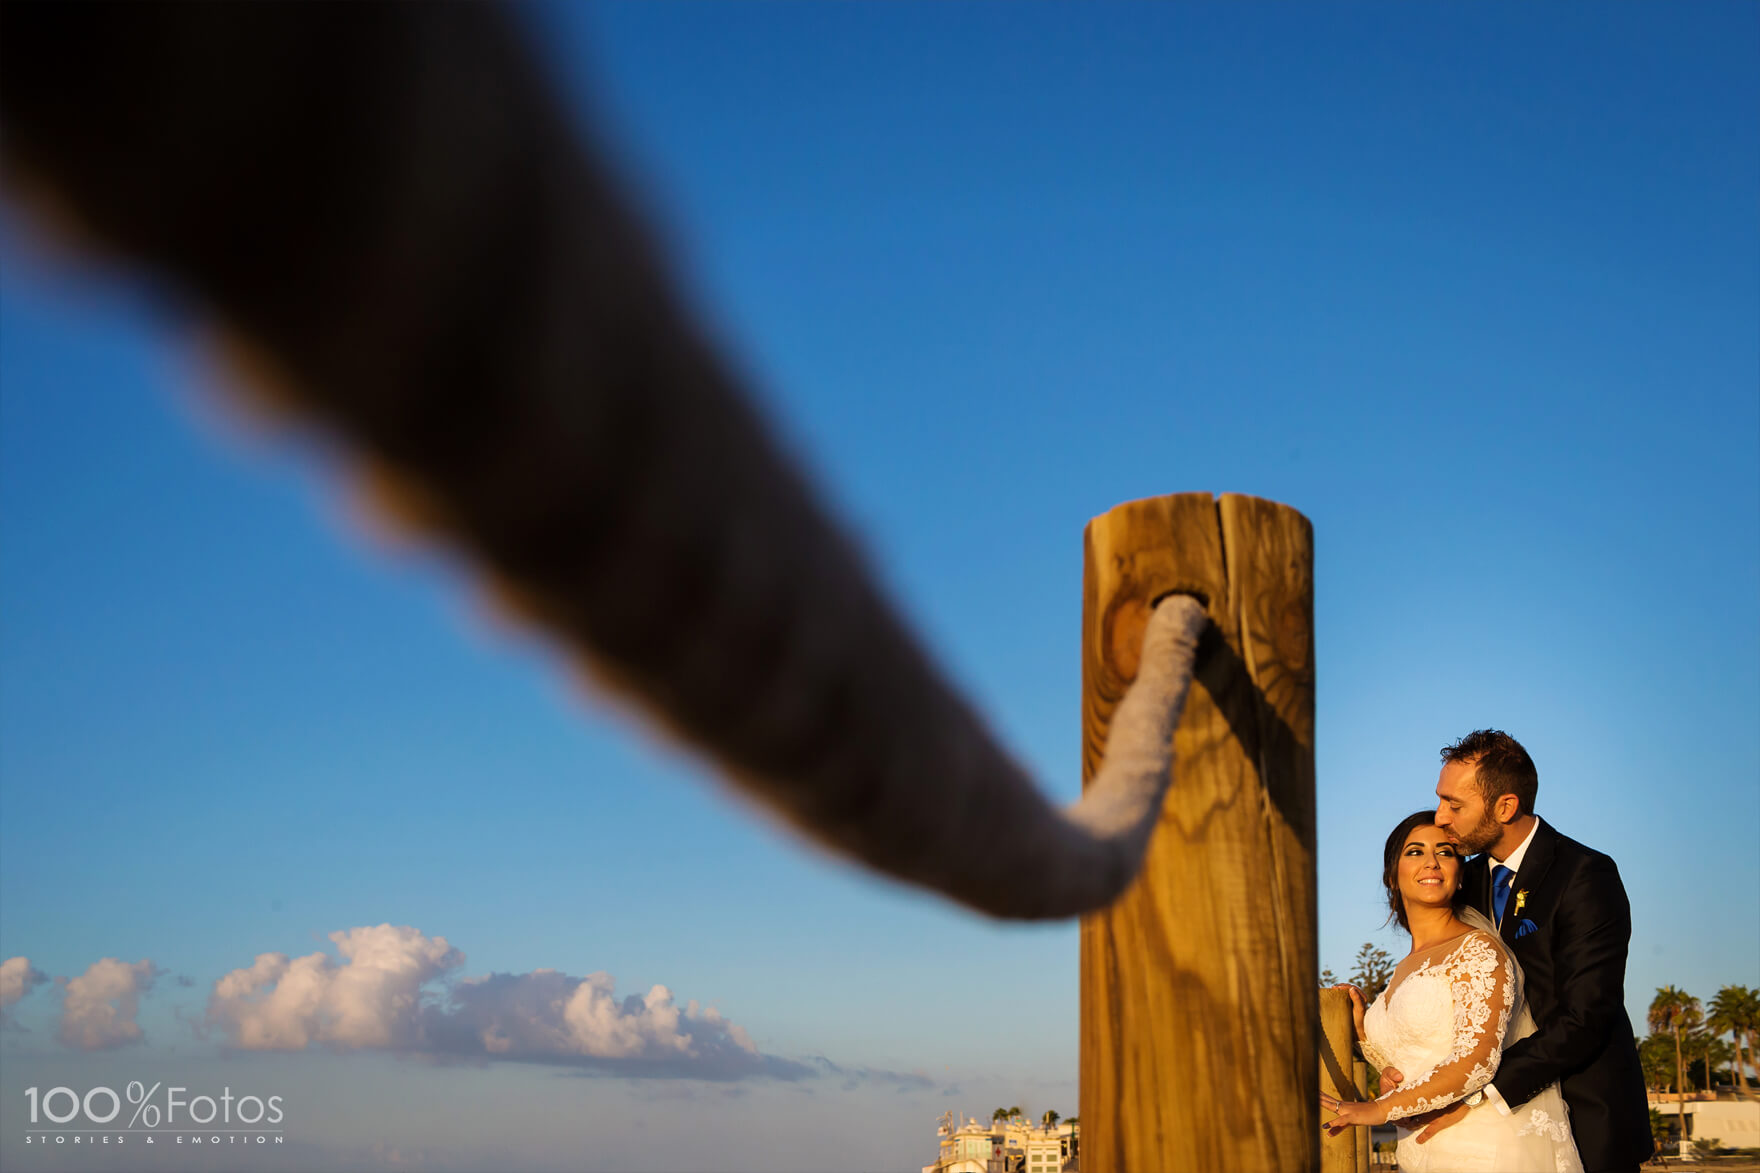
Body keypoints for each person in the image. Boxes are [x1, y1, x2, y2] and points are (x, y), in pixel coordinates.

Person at [1419, 729, 1654, 1172]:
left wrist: (1481, 1090)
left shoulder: (1586, 874)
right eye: (1440, 800)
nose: (1440, 817)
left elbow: (1587, 1015)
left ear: (1505, 807)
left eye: (1455, 804)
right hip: (1490, 1133)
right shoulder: (1463, 882)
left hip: (1585, 1116)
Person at [1321, 809, 1584, 1172]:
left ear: (1460, 875)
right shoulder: (1405, 966)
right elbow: (1412, 1061)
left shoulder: (1478, 950)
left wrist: (1378, 1108)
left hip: (1483, 1147)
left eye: (1445, 852)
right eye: (1415, 852)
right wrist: (1364, 1031)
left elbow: (1475, 1060)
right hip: (1420, 1150)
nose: (1431, 862)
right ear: (1392, 876)